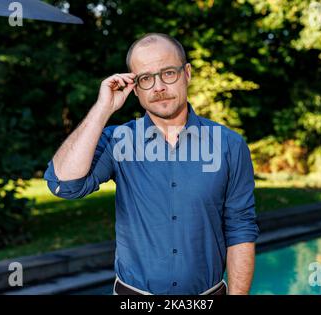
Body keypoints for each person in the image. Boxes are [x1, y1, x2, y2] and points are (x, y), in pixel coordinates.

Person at [43, 33, 259, 295]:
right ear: (134, 87)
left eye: (168, 73)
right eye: (146, 78)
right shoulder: (118, 141)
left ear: (187, 74)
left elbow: (240, 228)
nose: (158, 87)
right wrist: (103, 108)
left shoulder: (230, 146)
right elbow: (64, 184)